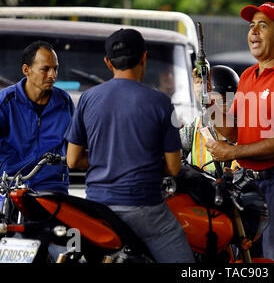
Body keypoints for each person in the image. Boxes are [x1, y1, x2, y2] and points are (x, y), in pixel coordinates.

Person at [64, 28, 194, 263]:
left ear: (107, 62)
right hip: (144, 208)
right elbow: (174, 168)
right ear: (144, 57)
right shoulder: (162, 103)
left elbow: (72, 160)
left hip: (97, 208)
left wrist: (108, 161)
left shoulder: (88, 99)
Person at [205, 2, 274, 263]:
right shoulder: (247, 77)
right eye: (251, 26)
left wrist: (231, 152)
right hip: (248, 182)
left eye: (262, 26)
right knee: (247, 257)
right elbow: (234, 131)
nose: (253, 31)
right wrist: (209, 102)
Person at [0, 40, 74, 194]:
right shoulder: (5, 101)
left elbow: (74, 145)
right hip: (12, 188)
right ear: (26, 70)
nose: (52, 75)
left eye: (55, 69)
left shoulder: (64, 101)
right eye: (45, 69)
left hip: (53, 189)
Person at [180, 65, 239, 172]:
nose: (217, 108)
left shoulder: (249, 131)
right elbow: (172, 152)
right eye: (213, 102)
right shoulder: (196, 126)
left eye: (224, 101)